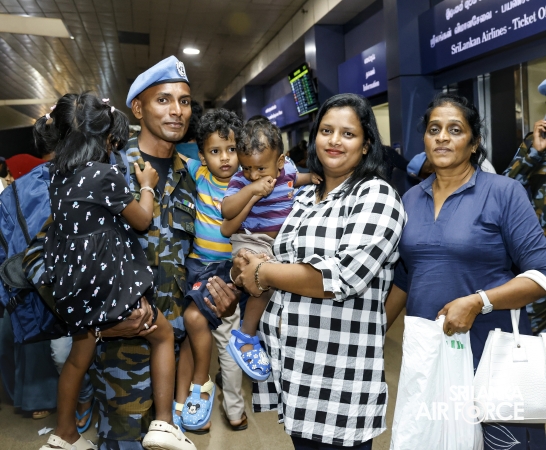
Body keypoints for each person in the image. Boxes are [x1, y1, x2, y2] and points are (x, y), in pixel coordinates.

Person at [231, 93, 406, 448]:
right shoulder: (304, 198)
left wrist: (263, 272)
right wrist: (245, 267)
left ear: (366, 144)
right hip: (295, 371)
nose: (334, 140)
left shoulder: (376, 195)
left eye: (348, 133)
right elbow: (277, 260)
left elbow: (343, 276)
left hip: (338, 377)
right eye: (326, 131)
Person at [385, 92, 546, 449]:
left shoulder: (504, 193)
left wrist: (478, 302)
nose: (442, 137)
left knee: (501, 443)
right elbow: (406, 277)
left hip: (491, 353)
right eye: (434, 129)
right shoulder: (410, 200)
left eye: (455, 130)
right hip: (431, 355)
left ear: (474, 144)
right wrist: (375, 335)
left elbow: (541, 273)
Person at [34, 92, 194, 450]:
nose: (176, 110)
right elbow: (142, 220)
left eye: (184, 101)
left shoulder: (58, 177)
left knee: (76, 360)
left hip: (76, 292)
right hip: (110, 292)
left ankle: (65, 435)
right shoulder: (107, 172)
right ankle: (164, 424)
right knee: (162, 335)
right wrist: (147, 186)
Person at [220, 119, 320, 381]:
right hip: (250, 240)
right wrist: (251, 190)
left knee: (275, 284)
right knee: (261, 280)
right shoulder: (240, 181)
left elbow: (295, 180)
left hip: (276, 244)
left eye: (260, 168)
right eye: (247, 168)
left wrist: (312, 178)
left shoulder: (287, 170)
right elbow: (227, 210)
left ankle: (261, 337)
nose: (253, 174)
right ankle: (245, 336)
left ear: (280, 161)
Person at [173, 108, 245, 433]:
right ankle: (233, 411)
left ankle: (209, 391)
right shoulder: (198, 173)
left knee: (221, 339)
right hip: (197, 266)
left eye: (231, 149)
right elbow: (170, 153)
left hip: (227, 272)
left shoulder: (245, 181)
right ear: (202, 156)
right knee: (212, 336)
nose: (225, 158)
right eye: (215, 151)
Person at [503, 78, 546, 335]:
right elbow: (506, 188)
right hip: (539, 253)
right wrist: (536, 153)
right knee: (536, 330)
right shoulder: (534, 142)